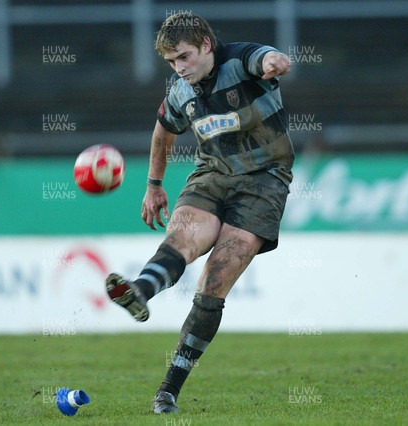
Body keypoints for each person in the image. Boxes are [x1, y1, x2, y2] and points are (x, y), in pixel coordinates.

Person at [105, 12, 294, 414]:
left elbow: (265, 59)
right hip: (211, 176)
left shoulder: (240, 60)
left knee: (215, 281)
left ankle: (168, 389)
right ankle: (140, 291)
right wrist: (153, 186)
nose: (180, 68)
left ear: (206, 45)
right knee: (181, 241)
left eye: (185, 57)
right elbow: (163, 133)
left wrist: (274, 61)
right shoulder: (180, 91)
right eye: (172, 62)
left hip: (263, 182)